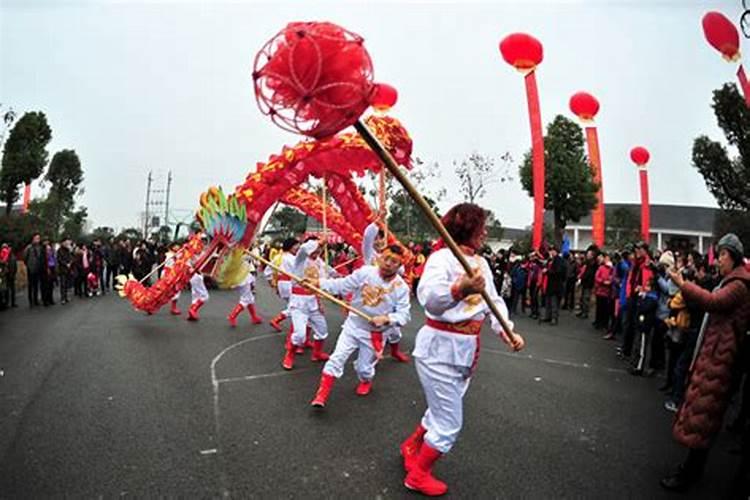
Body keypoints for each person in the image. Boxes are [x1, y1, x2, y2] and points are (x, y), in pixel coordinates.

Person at [399, 203, 524, 496]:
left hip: (466, 351)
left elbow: (493, 302)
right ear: (469, 227)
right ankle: (417, 475)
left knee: (440, 409)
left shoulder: (481, 263)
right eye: (482, 226)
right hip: (439, 351)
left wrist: (507, 330)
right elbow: (429, 299)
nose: (486, 232)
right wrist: (460, 289)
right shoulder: (441, 258)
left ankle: (412, 447)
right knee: (449, 422)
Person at [660, 233, 750, 493]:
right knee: (701, 416)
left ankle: (690, 473)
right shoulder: (731, 281)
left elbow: (711, 302)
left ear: (733, 257)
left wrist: (682, 283)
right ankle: (690, 468)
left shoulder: (739, 285)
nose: (718, 260)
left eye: (722, 255)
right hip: (714, 355)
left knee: (704, 418)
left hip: (721, 359)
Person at [309, 244, 411, 407]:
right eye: (386, 258)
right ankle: (321, 396)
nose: (388, 263)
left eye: (394, 262)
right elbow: (342, 285)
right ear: (379, 258)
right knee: (337, 358)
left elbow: (404, 314)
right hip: (353, 326)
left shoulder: (401, 288)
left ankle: (366, 380)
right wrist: (318, 283)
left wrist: (386, 318)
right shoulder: (365, 272)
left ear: (399, 266)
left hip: (375, 334)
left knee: (364, 369)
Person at [281, 237, 336, 370]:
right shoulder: (299, 259)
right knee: (300, 335)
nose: (318, 251)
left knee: (322, 331)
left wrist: (336, 275)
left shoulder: (320, 263)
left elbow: (326, 276)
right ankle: (289, 355)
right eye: (316, 248)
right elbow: (305, 249)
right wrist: (319, 242)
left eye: (320, 249)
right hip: (299, 303)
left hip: (313, 302)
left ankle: (316, 354)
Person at [362, 221, 411, 362]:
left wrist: (391, 258)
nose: (377, 241)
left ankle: (395, 351)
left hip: (390, 300)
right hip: (372, 299)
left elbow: (401, 271)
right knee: (366, 329)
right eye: (375, 238)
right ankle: (368, 357)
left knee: (395, 331)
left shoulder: (392, 256)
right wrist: (377, 221)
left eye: (380, 238)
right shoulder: (369, 255)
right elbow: (367, 237)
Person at [269, 238, 299, 333]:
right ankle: (277, 320)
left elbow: (267, 272)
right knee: (297, 307)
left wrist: (274, 284)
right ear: (290, 246)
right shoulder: (294, 259)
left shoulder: (278, 257)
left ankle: (295, 331)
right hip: (291, 284)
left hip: (281, 284)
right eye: (296, 245)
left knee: (294, 305)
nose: (298, 248)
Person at [227, 260, 263, 327]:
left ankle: (254, 317)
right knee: (245, 299)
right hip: (244, 278)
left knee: (250, 299)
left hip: (242, 277)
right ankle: (232, 316)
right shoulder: (242, 255)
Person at [542, 245, 565, 325]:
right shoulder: (551, 260)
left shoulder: (559, 260)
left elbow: (558, 272)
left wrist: (547, 271)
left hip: (556, 285)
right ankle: (548, 316)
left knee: (554, 303)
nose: (551, 252)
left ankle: (554, 318)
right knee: (548, 302)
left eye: (552, 250)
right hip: (550, 284)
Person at [23, 233, 44, 307]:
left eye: (39, 238)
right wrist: (28, 265)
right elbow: (24, 257)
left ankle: (35, 300)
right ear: (33, 239)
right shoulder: (29, 247)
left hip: (38, 268)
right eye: (36, 238)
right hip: (31, 268)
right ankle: (30, 301)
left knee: (36, 285)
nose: (38, 240)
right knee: (31, 285)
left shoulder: (40, 247)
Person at [57, 239, 73, 305]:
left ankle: (66, 297)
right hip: (62, 269)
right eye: (65, 243)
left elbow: (71, 257)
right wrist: (66, 264)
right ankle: (62, 298)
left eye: (67, 243)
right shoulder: (59, 250)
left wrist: (70, 263)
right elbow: (59, 259)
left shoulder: (68, 250)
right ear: (62, 243)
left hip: (68, 269)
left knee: (67, 284)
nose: (66, 244)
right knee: (63, 284)